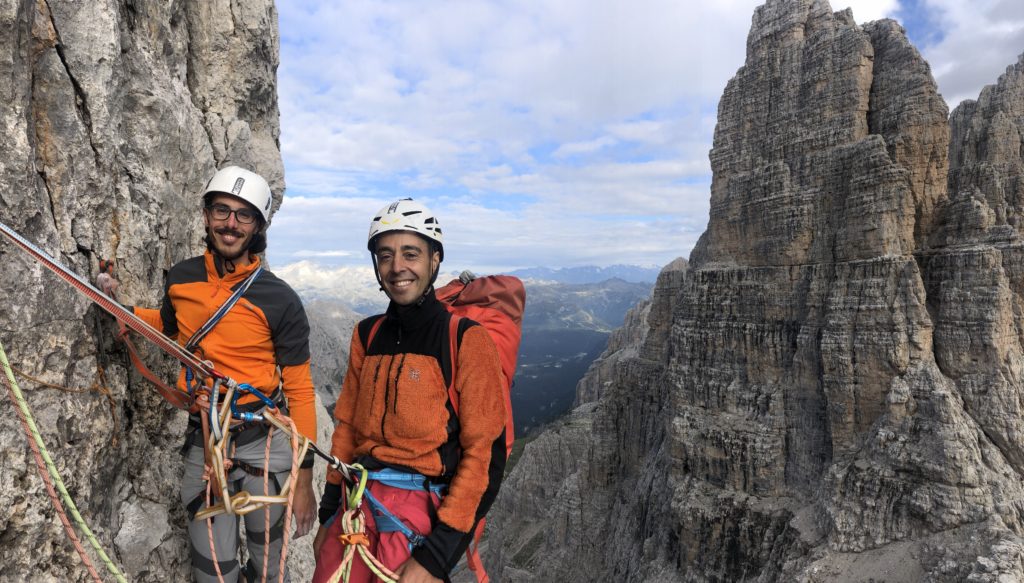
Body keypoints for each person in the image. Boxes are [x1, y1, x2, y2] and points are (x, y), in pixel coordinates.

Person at [100, 166, 317, 582]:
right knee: (213, 570)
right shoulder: (182, 277)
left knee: (269, 565)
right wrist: (118, 307)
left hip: (263, 444)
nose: (230, 224)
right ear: (206, 215)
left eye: (243, 215)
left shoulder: (281, 300)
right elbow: (166, 325)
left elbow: (301, 391)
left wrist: (303, 480)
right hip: (205, 438)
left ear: (257, 228)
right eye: (222, 210)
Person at [312, 199, 507, 583]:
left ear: (434, 260)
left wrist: (435, 559)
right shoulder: (367, 334)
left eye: (410, 254)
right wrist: (328, 516)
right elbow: (347, 428)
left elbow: (485, 454)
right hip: (356, 505)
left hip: (418, 520)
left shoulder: (465, 340)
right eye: (385, 256)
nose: (397, 267)